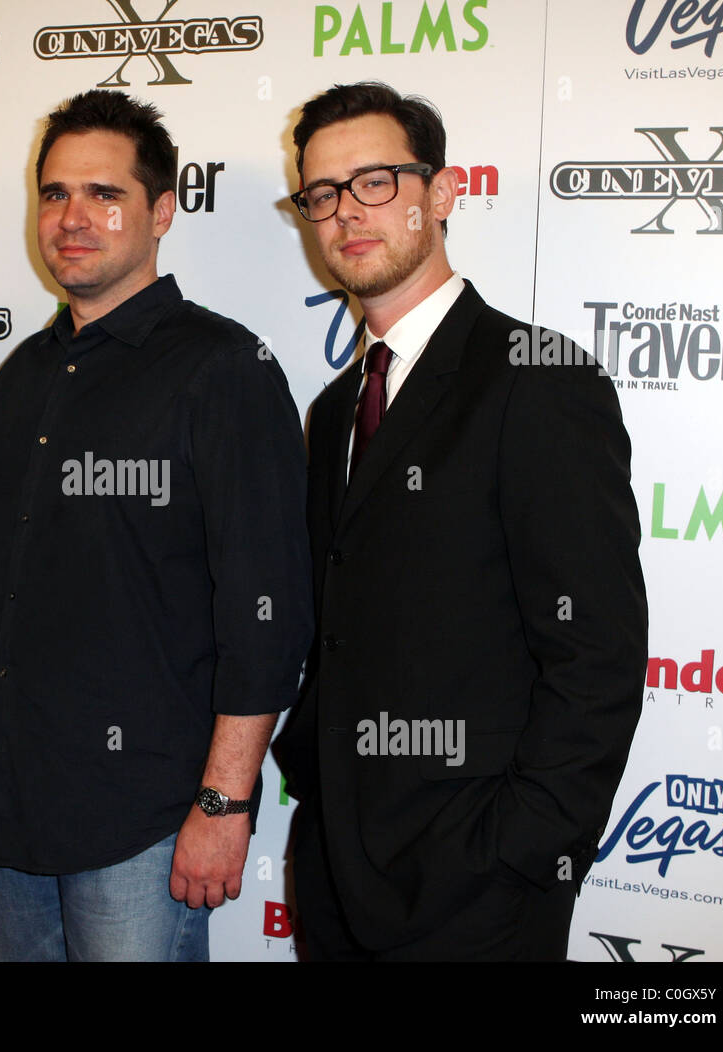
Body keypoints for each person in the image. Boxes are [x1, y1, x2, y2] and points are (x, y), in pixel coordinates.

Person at [273, 81, 648, 961]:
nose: (344, 213)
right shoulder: (334, 411)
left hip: (479, 892)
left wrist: (520, 853)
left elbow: (596, 655)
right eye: (321, 194)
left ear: (440, 195)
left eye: (374, 181)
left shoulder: (538, 381)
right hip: (337, 876)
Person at [0, 90, 313, 961]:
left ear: (161, 211)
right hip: (1, 820)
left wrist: (225, 806)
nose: (73, 218)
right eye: (54, 194)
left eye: (103, 195)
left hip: (140, 827)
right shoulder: (23, 378)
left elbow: (267, 614)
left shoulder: (224, 369)